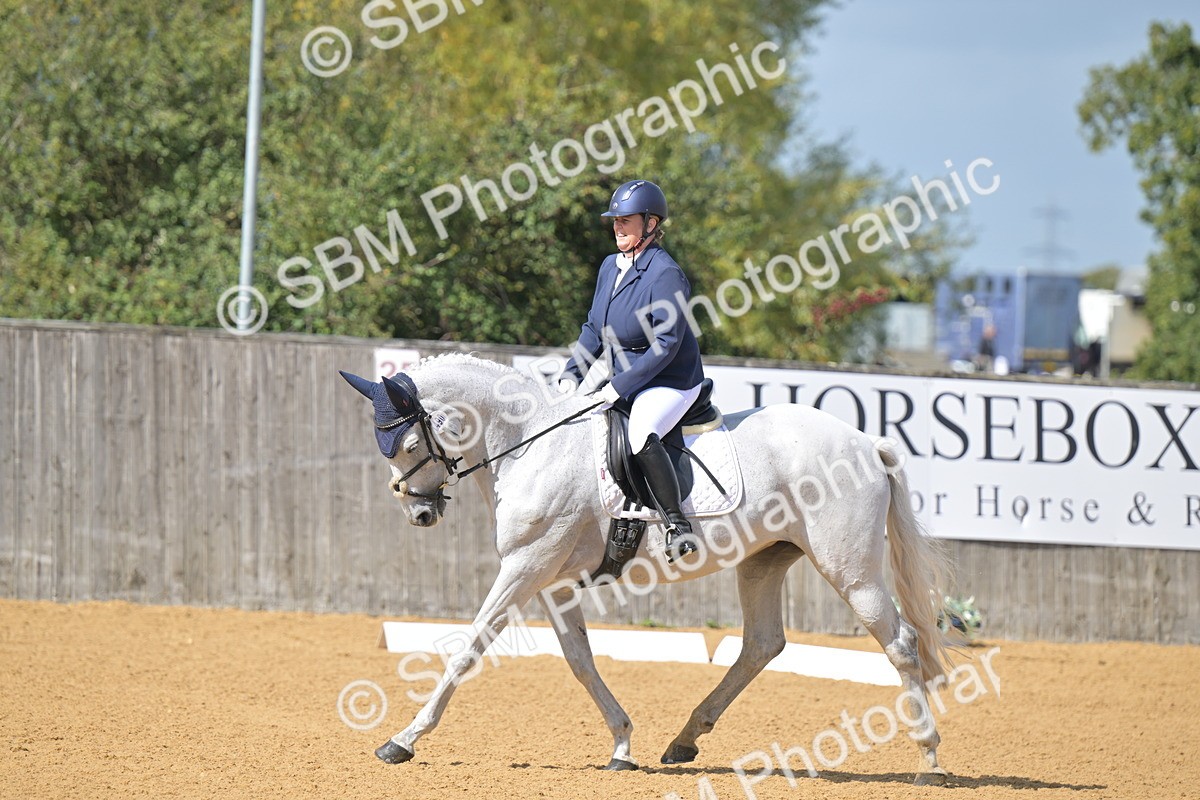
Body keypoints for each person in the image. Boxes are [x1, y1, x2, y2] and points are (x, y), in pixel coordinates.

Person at [559, 180, 705, 560]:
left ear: (651, 223)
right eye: (615, 220)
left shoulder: (666, 274)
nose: (617, 227)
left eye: (626, 220)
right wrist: (571, 376)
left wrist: (618, 386)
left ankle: (678, 526)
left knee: (640, 432)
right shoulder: (611, 266)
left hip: (670, 380)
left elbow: (666, 344)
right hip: (628, 378)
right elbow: (594, 328)